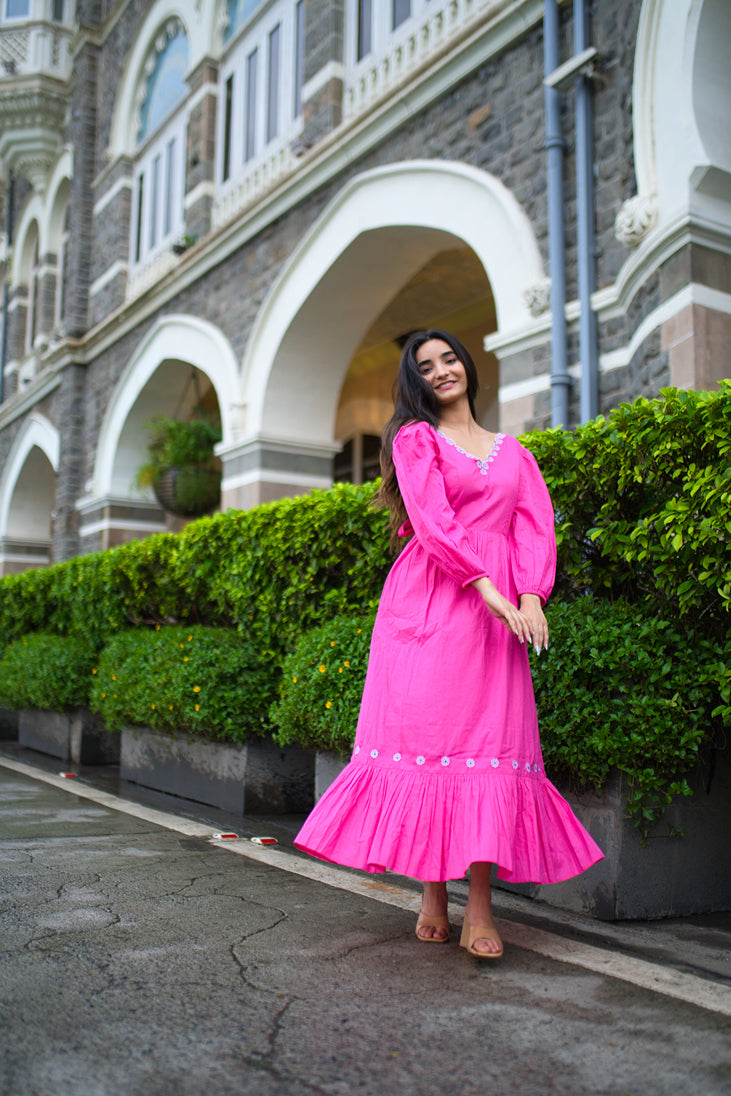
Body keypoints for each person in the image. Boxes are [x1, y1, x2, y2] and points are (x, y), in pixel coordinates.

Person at [295, 329, 603, 958]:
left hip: (498, 619)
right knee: (431, 742)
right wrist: (485, 585)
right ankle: (433, 891)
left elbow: (534, 528)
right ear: (416, 381)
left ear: (467, 365)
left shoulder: (515, 452)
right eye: (425, 366)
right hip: (432, 601)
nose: (440, 371)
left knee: (490, 747)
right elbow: (432, 520)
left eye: (449, 359)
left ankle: (481, 907)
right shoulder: (416, 439)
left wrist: (530, 598)